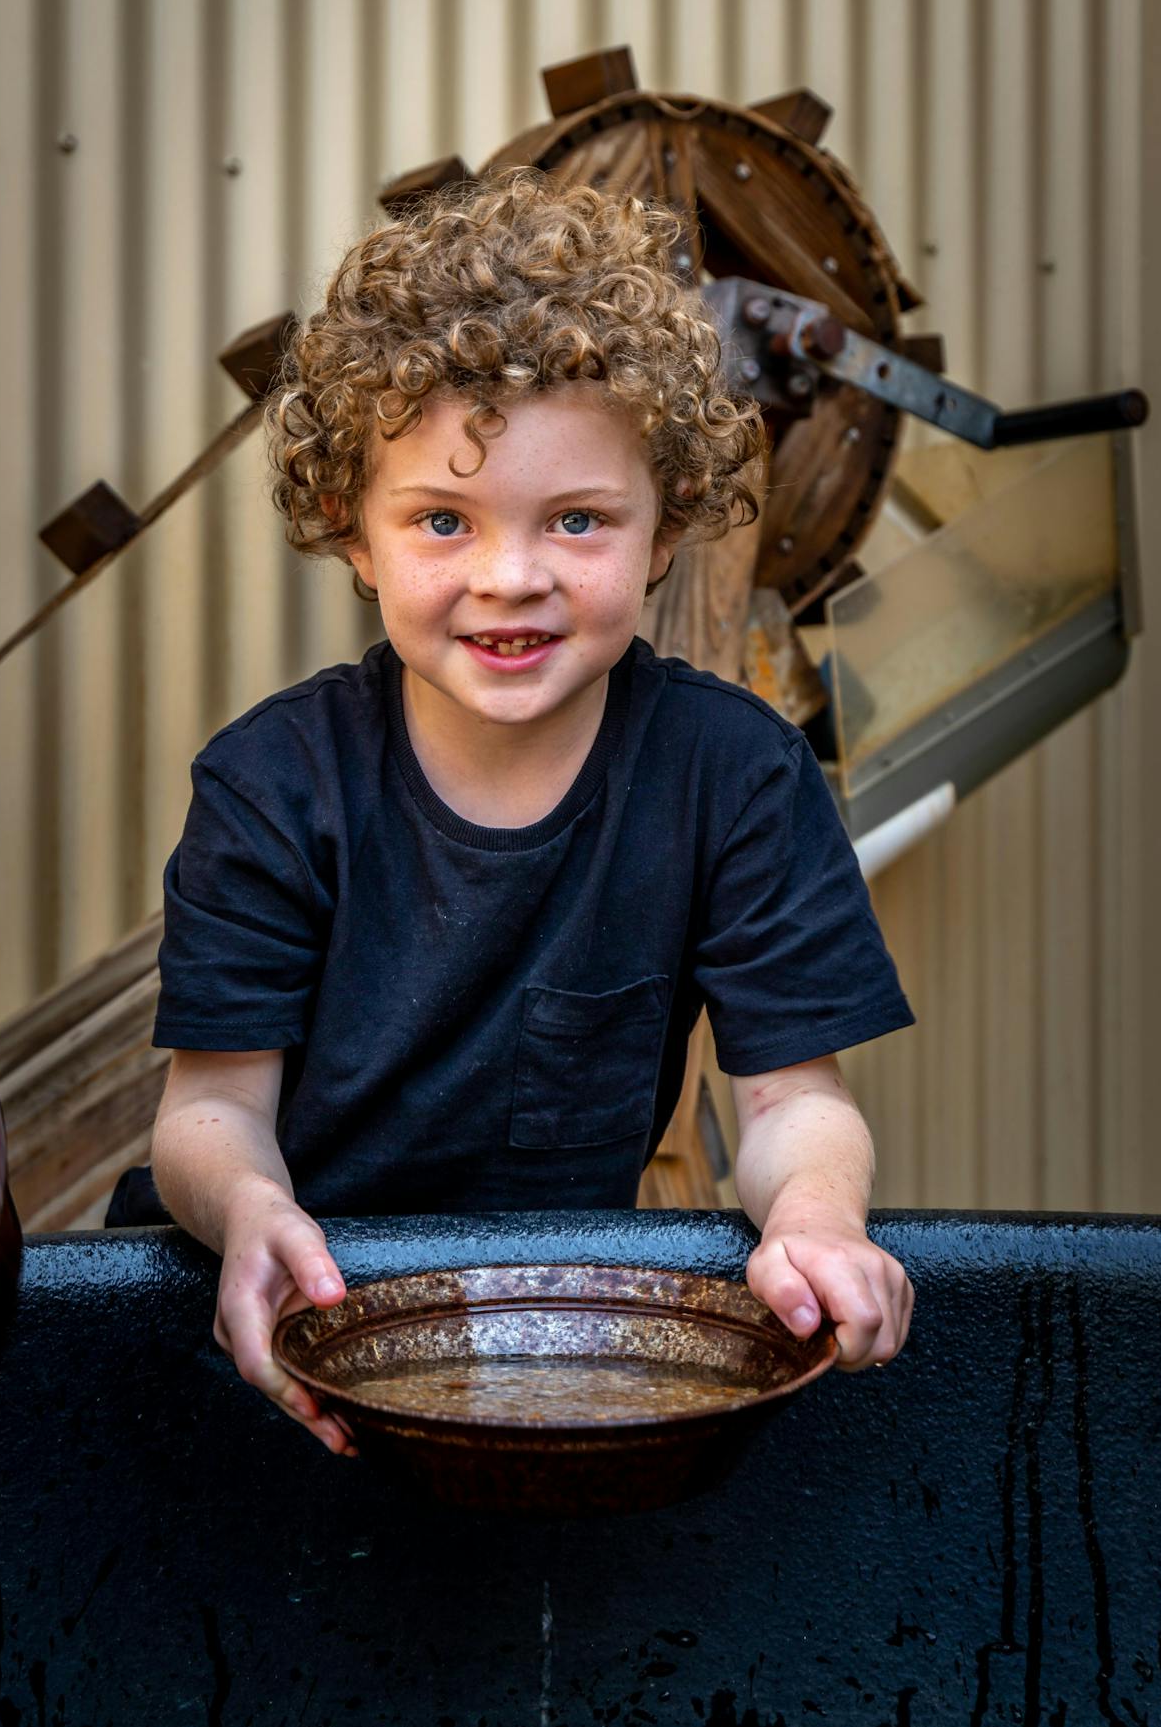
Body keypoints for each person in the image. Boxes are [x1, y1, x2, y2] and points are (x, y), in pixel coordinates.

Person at [106, 170, 916, 1459]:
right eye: (442, 519)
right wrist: (251, 1211)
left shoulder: (737, 775)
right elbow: (211, 1112)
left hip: (531, 1327)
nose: (512, 577)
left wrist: (818, 1220)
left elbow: (789, 1107)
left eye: (579, 519)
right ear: (351, 535)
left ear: (665, 532)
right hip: (275, 1318)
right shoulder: (269, 785)